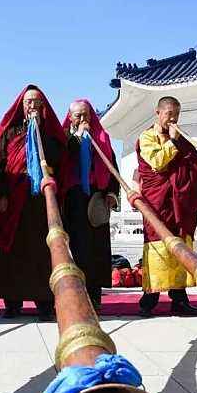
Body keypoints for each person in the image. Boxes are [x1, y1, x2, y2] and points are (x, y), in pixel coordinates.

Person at [0, 85, 67, 321]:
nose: (32, 105)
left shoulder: (50, 134)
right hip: (14, 198)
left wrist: (39, 132)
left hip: (41, 200)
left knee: (42, 250)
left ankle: (44, 303)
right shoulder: (11, 132)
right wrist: (1, 194)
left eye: (36, 102)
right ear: (22, 106)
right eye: (28, 102)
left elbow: (60, 160)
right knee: (12, 248)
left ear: (43, 107)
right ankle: (12, 302)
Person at [134, 96, 197, 317]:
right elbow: (157, 162)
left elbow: (195, 163)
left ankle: (179, 300)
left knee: (180, 243)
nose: (173, 119)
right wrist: (172, 142)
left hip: (179, 203)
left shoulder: (181, 138)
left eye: (177, 115)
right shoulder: (147, 137)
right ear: (158, 113)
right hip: (158, 202)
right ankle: (150, 298)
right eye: (169, 114)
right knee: (157, 243)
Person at [61, 99, 119, 314]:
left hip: (96, 197)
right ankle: (76, 295)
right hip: (74, 198)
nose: (83, 119)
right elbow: (63, 158)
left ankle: (94, 296)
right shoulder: (65, 137)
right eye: (78, 115)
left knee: (95, 249)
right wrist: (78, 136)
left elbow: (112, 166)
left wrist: (111, 193)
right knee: (76, 247)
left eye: (86, 114)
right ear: (70, 117)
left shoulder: (101, 137)